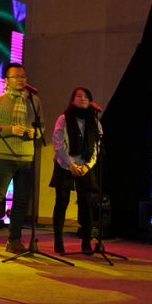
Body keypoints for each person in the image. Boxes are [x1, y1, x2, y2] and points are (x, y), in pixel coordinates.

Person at [0, 63, 43, 255]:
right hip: (4, 157)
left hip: (27, 157)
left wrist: (35, 133)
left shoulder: (34, 101)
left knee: (22, 201)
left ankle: (14, 240)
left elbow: (42, 128)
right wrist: (11, 130)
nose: (21, 80)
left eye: (23, 76)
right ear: (6, 80)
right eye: (16, 77)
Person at [50, 87, 101, 254]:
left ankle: (86, 242)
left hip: (86, 167)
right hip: (65, 165)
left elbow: (96, 147)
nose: (82, 98)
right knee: (62, 201)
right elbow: (58, 144)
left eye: (86, 96)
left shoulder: (95, 121)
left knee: (86, 204)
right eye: (79, 96)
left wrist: (87, 166)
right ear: (73, 100)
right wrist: (70, 164)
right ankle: (58, 241)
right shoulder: (63, 119)